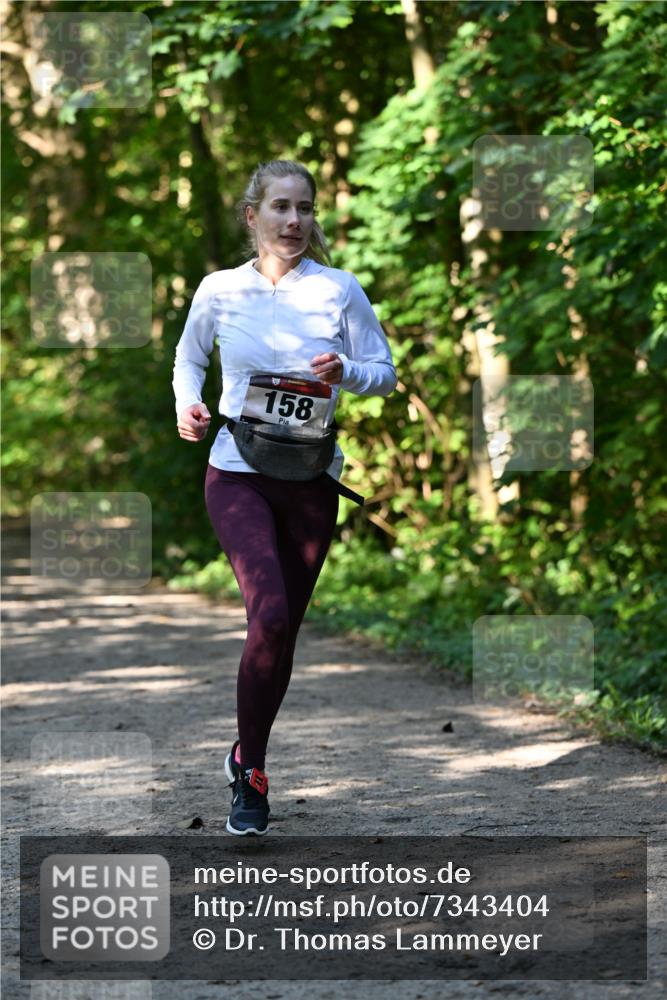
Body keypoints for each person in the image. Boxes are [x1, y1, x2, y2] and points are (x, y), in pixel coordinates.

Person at [172, 159, 397, 836]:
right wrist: (188, 404)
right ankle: (253, 778)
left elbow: (384, 373)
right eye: (280, 207)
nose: (293, 220)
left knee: (283, 629)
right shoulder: (219, 289)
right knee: (267, 613)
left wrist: (345, 370)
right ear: (253, 215)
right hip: (237, 469)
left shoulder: (338, 289)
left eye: (304, 208)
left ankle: (246, 752)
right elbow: (189, 358)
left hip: (310, 480)